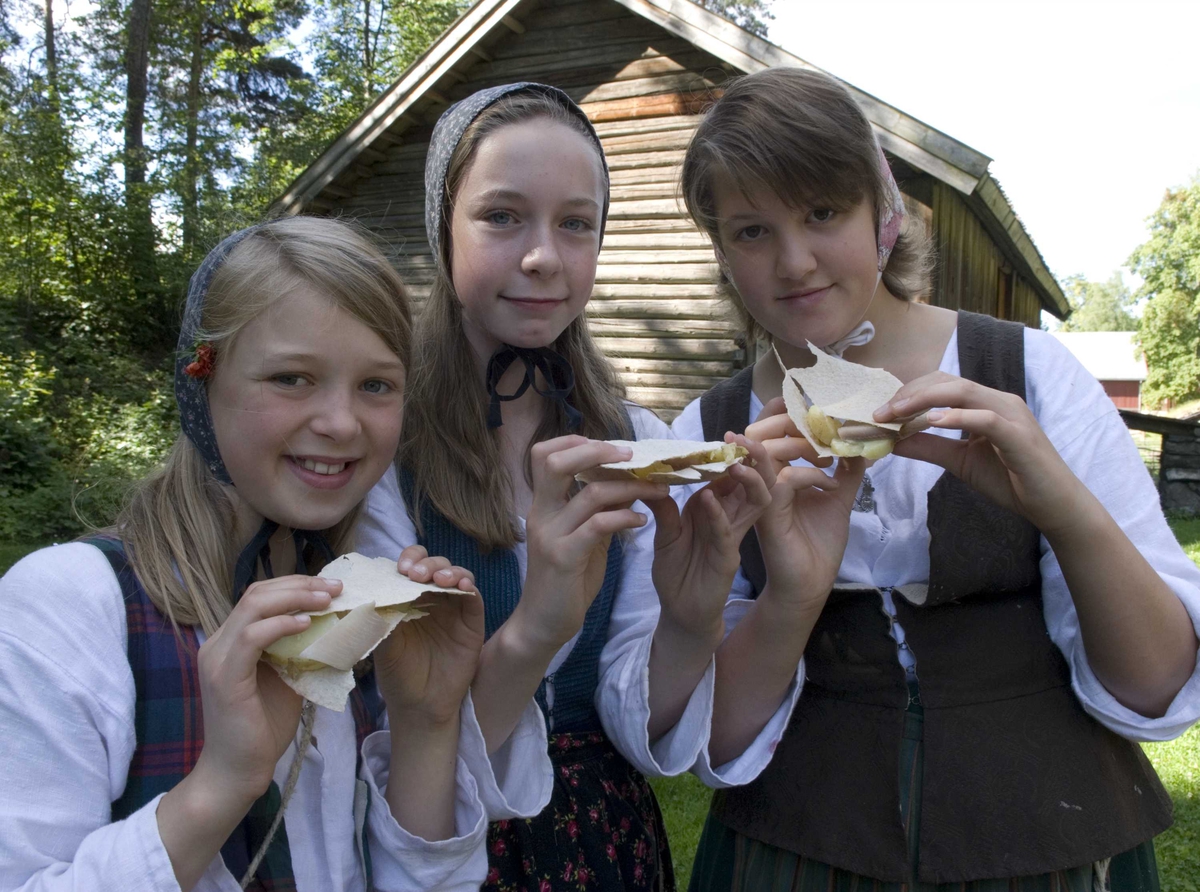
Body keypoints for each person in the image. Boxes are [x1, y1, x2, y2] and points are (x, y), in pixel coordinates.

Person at [671, 66, 1200, 891]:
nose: (795, 260)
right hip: (799, 852)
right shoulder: (707, 437)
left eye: (822, 212)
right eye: (750, 231)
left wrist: (1065, 512)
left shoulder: (1030, 375)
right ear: (721, 251)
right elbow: (716, 741)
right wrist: (793, 596)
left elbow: (1155, 686)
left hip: (1050, 847)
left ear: (882, 211)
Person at [0, 216, 550, 892]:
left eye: (376, 385)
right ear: (201, 380)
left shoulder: (367, 599)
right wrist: (224, 782)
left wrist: (428, 722)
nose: (341, 422)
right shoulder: (74, 608)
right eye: (292, 378)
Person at [356, 82, 789, 891]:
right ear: (441, 225)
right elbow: (406, 737)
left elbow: (642, 730)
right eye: (502, 216)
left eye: (575, 224)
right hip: (442, 847)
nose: (542, 256)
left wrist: (692, 622)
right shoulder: (384, 456)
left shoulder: (639, 445)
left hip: (607, 844)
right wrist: (540, 624)